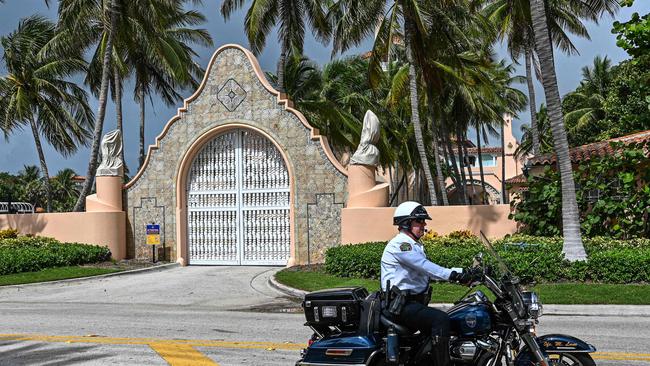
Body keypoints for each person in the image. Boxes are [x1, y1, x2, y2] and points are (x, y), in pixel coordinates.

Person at [381, 201, 475, 366]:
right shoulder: (401, 245)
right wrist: (454, 275)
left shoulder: (413, 245)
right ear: (406, 223)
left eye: (424, 221)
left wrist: (464, 272)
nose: (424, 225)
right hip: (400, 306)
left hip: (411, 304)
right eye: (420, 221)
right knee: (440, 320)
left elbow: (428, 268)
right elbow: (426, 268)